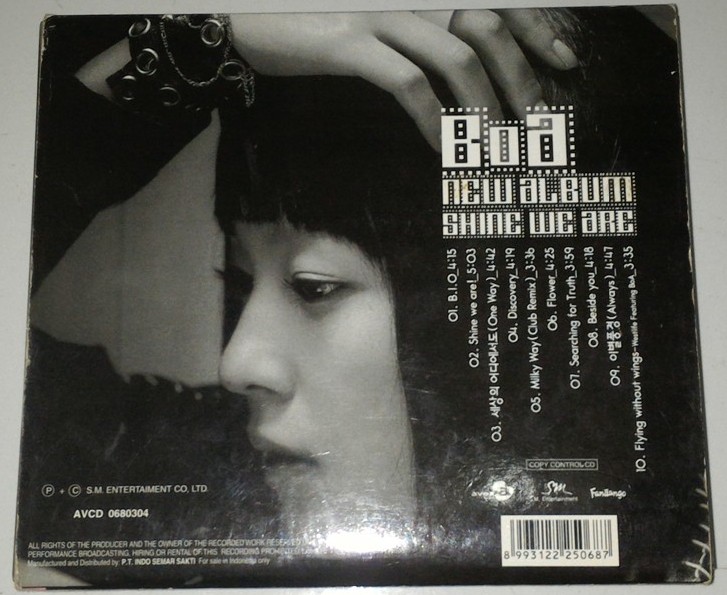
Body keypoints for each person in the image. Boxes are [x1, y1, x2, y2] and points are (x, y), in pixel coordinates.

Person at [17, 6, 703, 588]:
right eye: (240, 283)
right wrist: (192, 51)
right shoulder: (209, 485)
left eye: (314, 288)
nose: (238, 363)